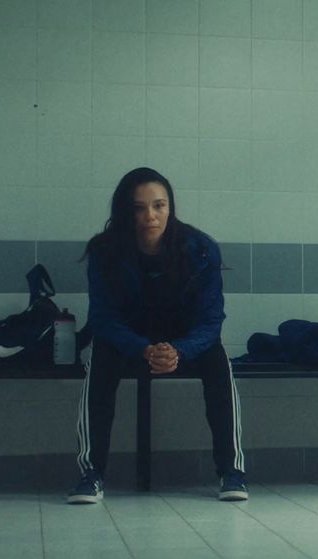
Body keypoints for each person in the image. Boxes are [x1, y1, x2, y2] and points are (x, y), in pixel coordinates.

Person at [69, 167, 247, 504]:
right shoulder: (105, 251)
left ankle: (232, 472)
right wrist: (143, 349)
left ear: (170, 207)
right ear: (125, 210)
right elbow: (103, 318)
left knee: (219, 362)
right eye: (139, 207)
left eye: (159, 205)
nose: (150, 216)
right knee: (99, 360)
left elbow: (211, 321)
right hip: (128, 340)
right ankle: (90, 475)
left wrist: (178, 350)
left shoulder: (201, 249)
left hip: (184, 341)